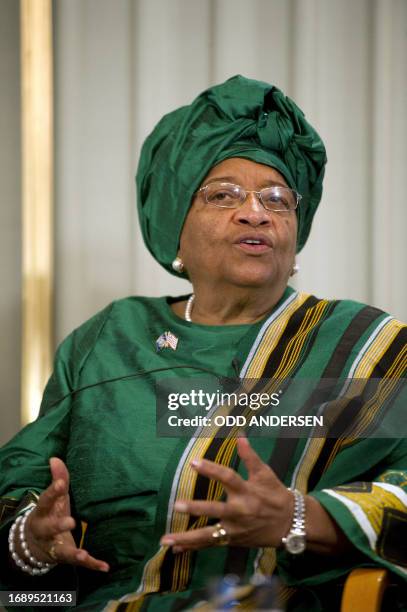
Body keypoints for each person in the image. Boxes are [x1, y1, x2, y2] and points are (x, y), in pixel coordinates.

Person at [0, 75, 406, 612]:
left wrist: (299, 518)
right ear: (176, 230)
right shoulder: (109, 339)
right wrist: (33, 539)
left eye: (278, 199)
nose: (256, 212)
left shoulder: (365, 346)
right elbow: (25, 473)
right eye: (224, 195)